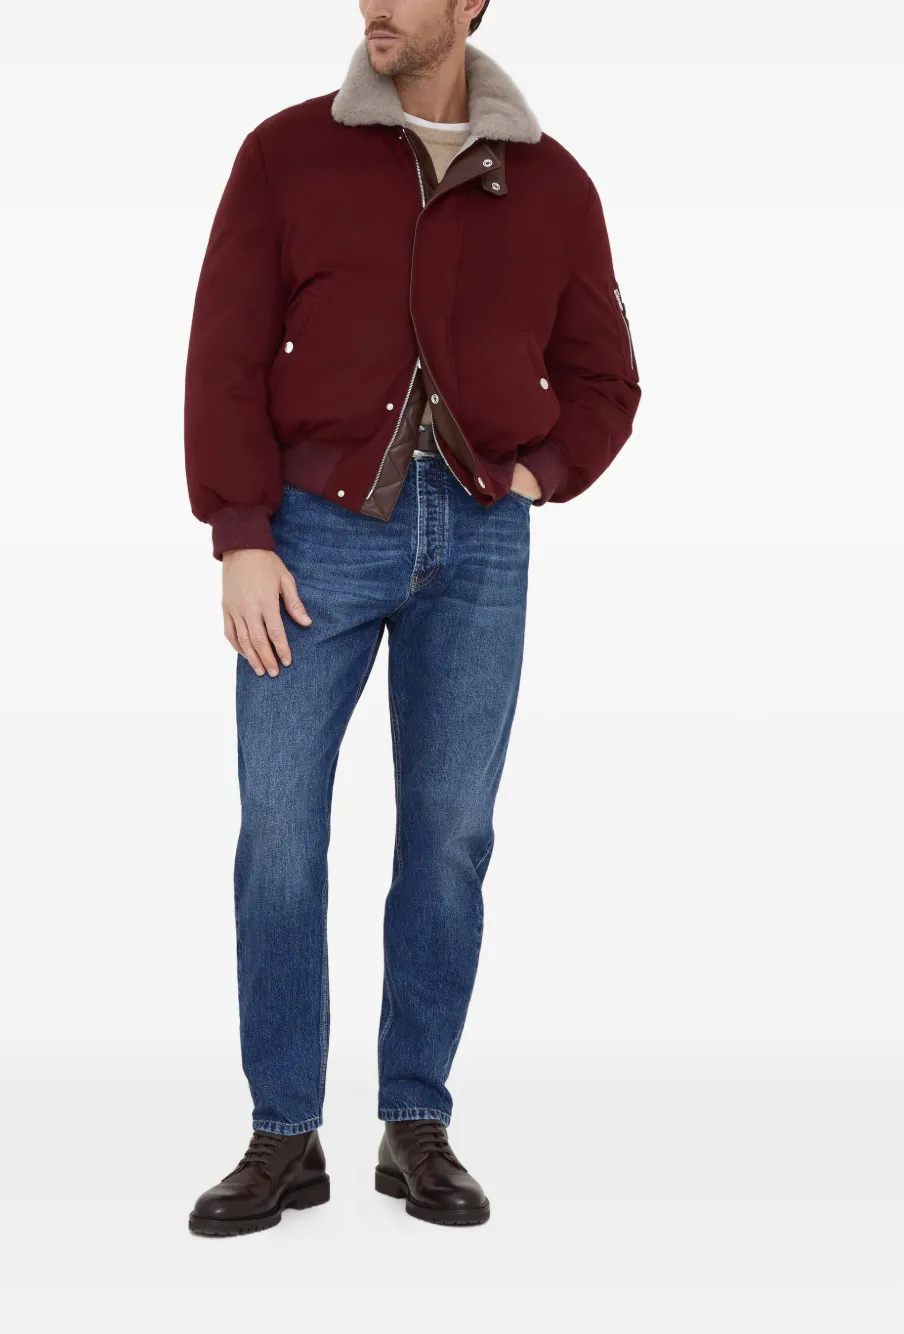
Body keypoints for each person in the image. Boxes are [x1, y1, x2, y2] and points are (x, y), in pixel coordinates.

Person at [184, 0, 641, 1236]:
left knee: (449, 837)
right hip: (310, 540)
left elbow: (605, 376)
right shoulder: (286, 153)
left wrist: (540, 475)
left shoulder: (555, 184)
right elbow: (224, 353)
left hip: (481, 540)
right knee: (280, 832)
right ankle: (285, 1133)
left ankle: (414, 1119)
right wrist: (240, 531)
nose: (374, 5)